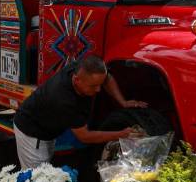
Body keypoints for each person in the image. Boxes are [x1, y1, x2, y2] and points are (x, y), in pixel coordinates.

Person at [11, 55, 146, 168]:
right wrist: (121, 134)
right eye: (93, 86)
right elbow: (85, 136)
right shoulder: (63, 99)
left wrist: (122, 102)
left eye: (100, 84)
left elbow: (108, 78)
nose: (98, 90)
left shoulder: (81, 68)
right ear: (76, 80)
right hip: (32, 132)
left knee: (46, 170)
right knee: (35, 180)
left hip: (49, 129)